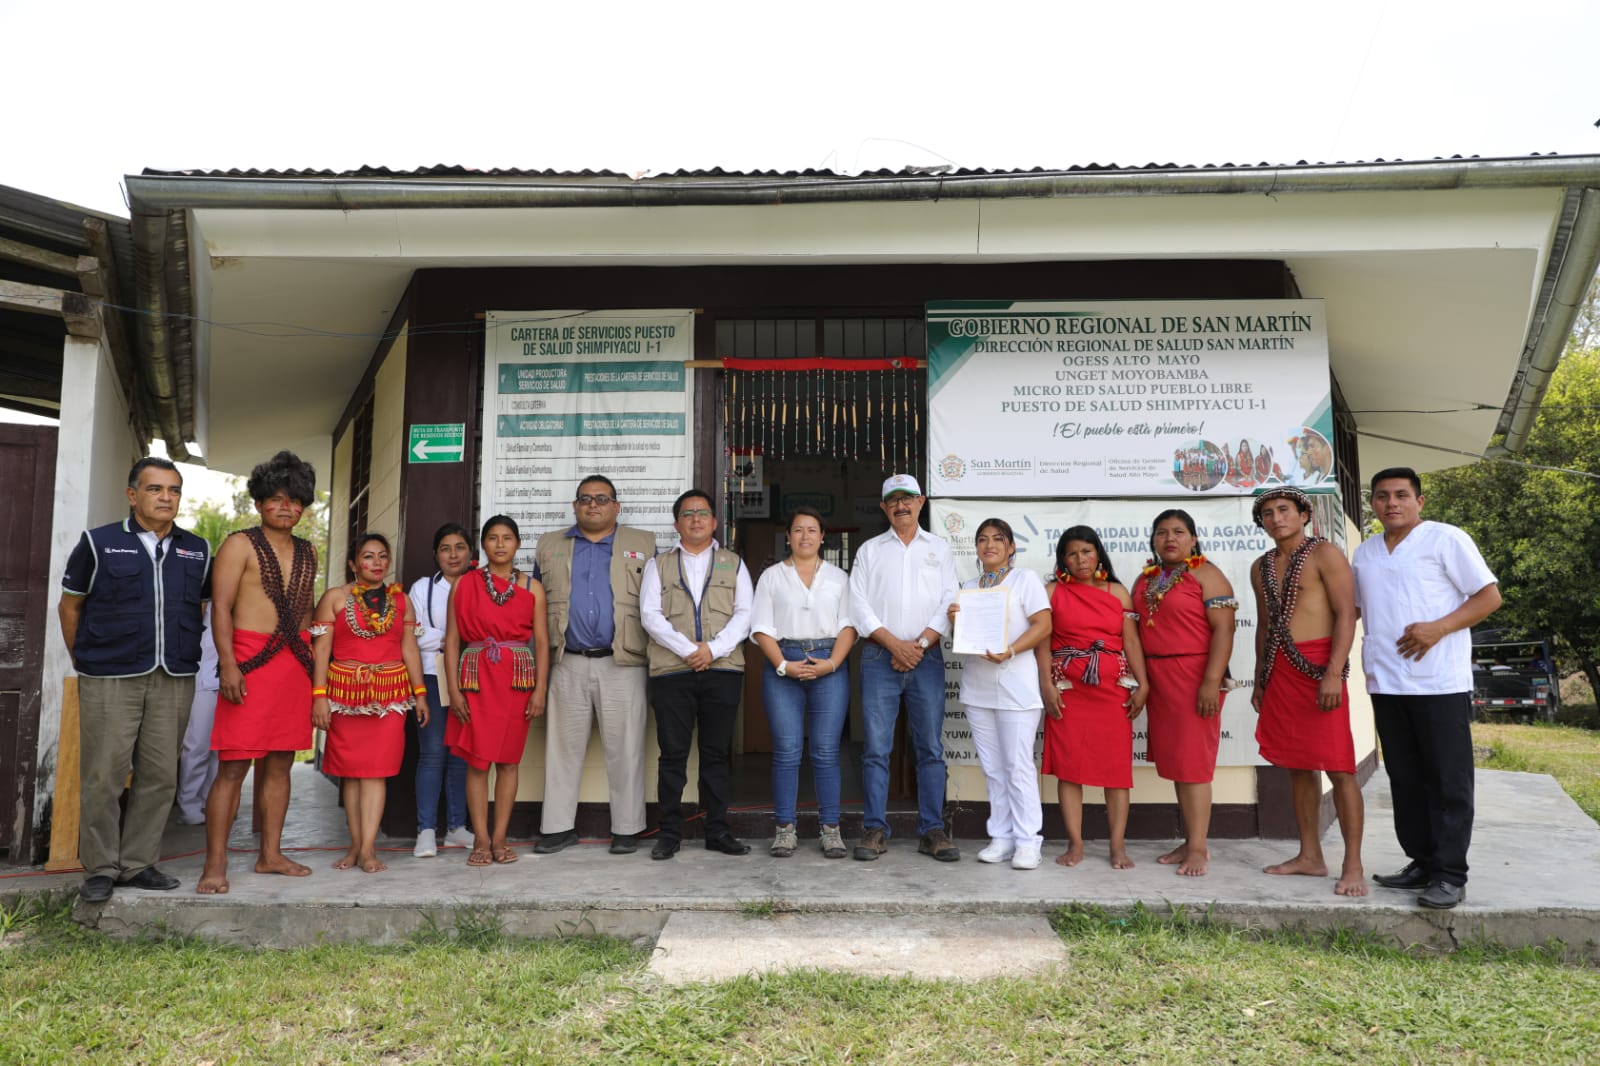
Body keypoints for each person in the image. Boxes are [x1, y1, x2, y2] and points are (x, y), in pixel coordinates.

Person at [58, 457, 212, 902]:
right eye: (155, 489)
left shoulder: (197, 549)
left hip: (173, 677)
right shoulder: (99, 542)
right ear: (133, 495)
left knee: (161, 775)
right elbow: (71, 606)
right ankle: (102, 868)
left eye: (174, 490)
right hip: (110, 677)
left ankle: (139, 863)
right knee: (103, 775)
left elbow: (199, 608)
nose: (166, 498)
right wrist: (84, 659)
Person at [1353, 467, 1500, 910]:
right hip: (1386, 682)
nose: (1391, 503)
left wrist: (1439, 627)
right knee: (1405, 779)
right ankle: (1421, 860)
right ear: (1373, 504)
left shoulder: (1445, 539)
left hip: (1438, 682)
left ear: (1420, 500)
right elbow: (1355, 611)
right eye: (1382, 496)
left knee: (1448, 780)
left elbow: (1488, 596)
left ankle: (1451, 874)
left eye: (1401, 495)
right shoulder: (1365, 553)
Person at [199, 450, 319, 895]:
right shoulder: (238, 544)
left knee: (281, 765)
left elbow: (305, 614)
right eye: (277, 498)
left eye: (295, 500)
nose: (286, 507)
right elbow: (221, 608)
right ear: (259, 503)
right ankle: (215, 864)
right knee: (233, 767)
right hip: (246, 662)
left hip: (293, 665)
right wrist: (228, 663)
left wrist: (309, 672)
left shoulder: (309, 552)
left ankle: (271, 855)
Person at [1249, 485, 1366, 896]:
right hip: (1281, 668)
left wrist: (1334, 672)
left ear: (1304, 514)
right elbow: (1265, 628)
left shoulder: (1325, 554)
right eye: (1267, 513)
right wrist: (1261, 678)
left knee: (1340, 767)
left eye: (1284, 509)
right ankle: (1310, 856)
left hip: (1320, 667)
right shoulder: (1260, 566)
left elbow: (1346, 614)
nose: (1276, 518)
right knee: (1299, 766)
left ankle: (1353, 865)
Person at [531, 475, 655, 857]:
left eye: (602, 499)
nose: (593, 505)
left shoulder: (643, 544)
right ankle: (557, 828)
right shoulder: (550, 544)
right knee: (562, 750)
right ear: (575, 506)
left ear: (616, 506)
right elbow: (534, 606)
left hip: (623, 662)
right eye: (585, 499)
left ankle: (627, 829)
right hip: (566, 661)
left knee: (627, 749)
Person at [848, 473, 961, 862]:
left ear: (921, 502)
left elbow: (949, 601)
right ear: (884, 508)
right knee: (877, 748)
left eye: (907, 498)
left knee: (929, 747)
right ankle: (875, 828)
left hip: (926, 658)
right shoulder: (869, 550)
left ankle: (932, 830)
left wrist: (919, 645)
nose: (901, 505)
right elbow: (858, 605)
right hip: (881, 657)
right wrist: (895, 644)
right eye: (893, 500)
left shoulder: (940, 549)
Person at [642, 489, 754, 860]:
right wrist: (690, 650)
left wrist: (712, 650)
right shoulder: (657, 565)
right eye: (687, 514)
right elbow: (650, 616)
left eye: (702, 513)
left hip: (722, 670)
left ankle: (717, 830)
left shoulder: (733, 563)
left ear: (714, 522)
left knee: (715, 755)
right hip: (672, 671)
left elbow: (744, 614)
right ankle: (670, 832)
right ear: (677, 523)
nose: (695, 519)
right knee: (672, 755)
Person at [311, 533, 429, 873]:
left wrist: (420, 694)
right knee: (351, 773)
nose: (376, 563)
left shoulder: (401, 600)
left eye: (382, 557)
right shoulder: (335, 598)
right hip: (346, 697)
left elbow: (409, 649)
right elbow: (321, 651)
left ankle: (367, 849)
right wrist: (319, 698)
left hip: (389, 698)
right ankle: (354, 845)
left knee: (376, 773)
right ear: (353, 563)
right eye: (368, 556)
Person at [1130, 509, 1236, 876]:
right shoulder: (1146, 579)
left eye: (1178, 532)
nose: (1169, 538)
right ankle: (1191, 839)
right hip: (1159, 678)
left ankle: (1199, 848)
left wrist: (1211, 680)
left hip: (1195, 675)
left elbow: (1224, 631)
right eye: (1162, 532)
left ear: (1193, 539)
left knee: (1194, 766)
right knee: (1178, 764)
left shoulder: (1207, 574)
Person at [442, 515, 549, 866]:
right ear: (483, 544)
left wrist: (540, 690)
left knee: (508, 761)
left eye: (507, 538)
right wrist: (455, 692)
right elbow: (454, 641)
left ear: (518, 544)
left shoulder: (532, 588)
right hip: (475, 678)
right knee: (477, 762)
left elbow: (543, 645)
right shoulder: (464, 584)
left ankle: (501, 838)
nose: (500, 544)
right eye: (492, 538)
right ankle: (481, 840)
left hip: (516, 679)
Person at [750, 506, 856, 859]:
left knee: (826, 752)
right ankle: (785, 829)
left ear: (822, 536)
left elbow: (848, 627)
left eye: (812, 530)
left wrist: (830, 664)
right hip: (784, 663)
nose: (805, 536)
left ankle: (830, 830)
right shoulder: (772, 578)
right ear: (788, 536)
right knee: (787, 751)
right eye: (798, 530)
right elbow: (761, 628)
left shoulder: (839, 578)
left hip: (830, 664)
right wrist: (783, 665)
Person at [1040, 526, 1149, 870]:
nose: (1081, 560)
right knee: (1069, 770)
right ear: (1063, 560)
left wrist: (1143, 684)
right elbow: (1042, 642)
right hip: (1068, 692)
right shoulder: (1052, 592)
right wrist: (1046, 685)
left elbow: (1131, 642)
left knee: (1115, 771)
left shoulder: (1117, 592)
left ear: (1098, 553)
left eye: (1086, 552)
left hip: (1112, 691)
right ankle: (1076, 844)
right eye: (1072, 554)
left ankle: (1118, 846)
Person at [947, 519, 1051, 870]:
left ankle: (1028, 841)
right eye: (982, 539)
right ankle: (1002, 837)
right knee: (993, 768)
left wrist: (1010, 650)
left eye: (997, 539)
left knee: (1017, 765)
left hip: (1017, 686)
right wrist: (955, 620)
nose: (989, 544)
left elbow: (1043, 625)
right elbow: (966, 636)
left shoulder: (1026, 580)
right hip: (978, 687)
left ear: (1010, 547)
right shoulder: (970, 586)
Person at [408, 523, 474, 857]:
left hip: (472, 677)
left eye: (460, 547)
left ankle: (458, 828)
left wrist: (447, 639)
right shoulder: (422, 588)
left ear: (470, 552)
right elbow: (415, 634)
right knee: (433, 752)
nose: (453, 554)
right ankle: (426, 831)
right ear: (436, 554)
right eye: (446, 548)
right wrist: (455, 641)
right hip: (433, 675)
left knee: (461, 753)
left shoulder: (480, 584)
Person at [175, 605, 222, 825]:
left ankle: (210, 801)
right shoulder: (200, 602)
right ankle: (189, 805)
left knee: (220, 749)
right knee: (198, 745)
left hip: (229, 679)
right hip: (202, 678)